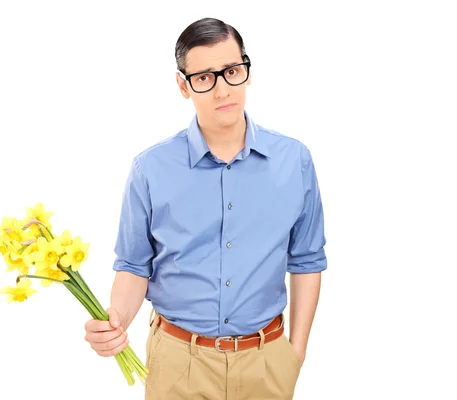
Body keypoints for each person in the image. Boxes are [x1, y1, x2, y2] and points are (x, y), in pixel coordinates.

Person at [83, 17, 327, 399]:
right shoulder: (150, 168)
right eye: (204, 78)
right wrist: (117, 322)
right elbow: (133, 265)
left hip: (267, 362)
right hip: (178, 364)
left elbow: (308, 260)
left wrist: (295, 353)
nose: (221, 90)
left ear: (247, 70)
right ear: (183, 85)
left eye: (231, 71)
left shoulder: (294, 160)